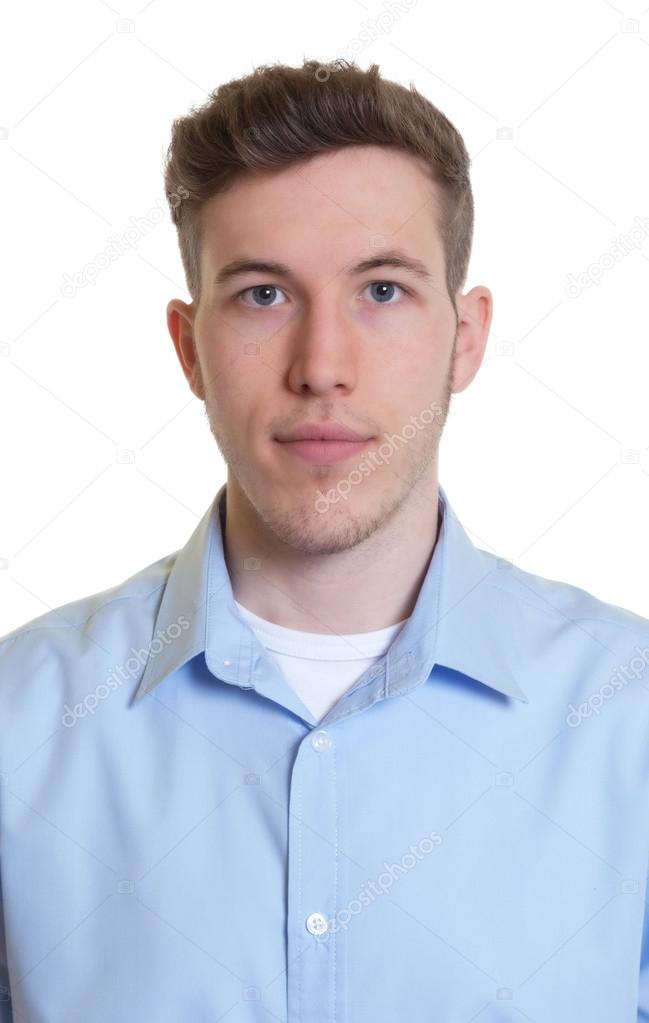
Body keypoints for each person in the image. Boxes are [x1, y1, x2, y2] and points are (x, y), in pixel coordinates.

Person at [1, 57, 648, 1022]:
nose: (322, 367)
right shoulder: (16, 724)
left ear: (465, 338)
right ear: (188, 349)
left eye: (381, 290)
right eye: (263, 294)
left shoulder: (628, 720)